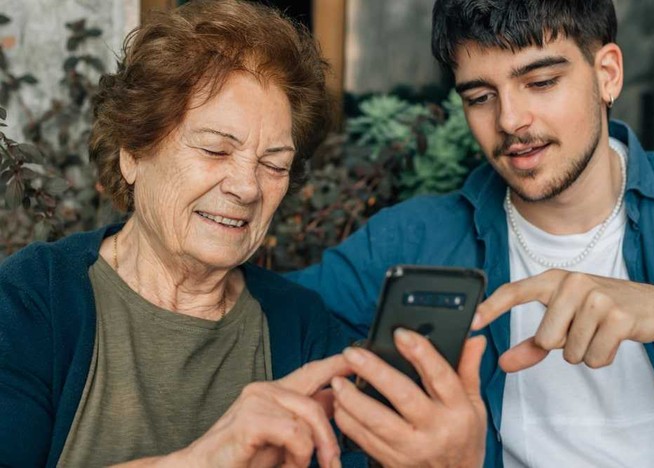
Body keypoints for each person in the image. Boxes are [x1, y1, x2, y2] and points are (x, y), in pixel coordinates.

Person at [0, 1, 488, 466]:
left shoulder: (302, 327)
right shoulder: (33, 300)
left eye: (274, 165)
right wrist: (201, 460)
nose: (246, 187)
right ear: (133, 153)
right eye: (215, 150)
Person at [288, 0, 654, 466]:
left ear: (607, 74)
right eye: (480, 96)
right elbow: (262, 329)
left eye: (541, 82)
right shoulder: (409, 240)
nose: (509, 121)